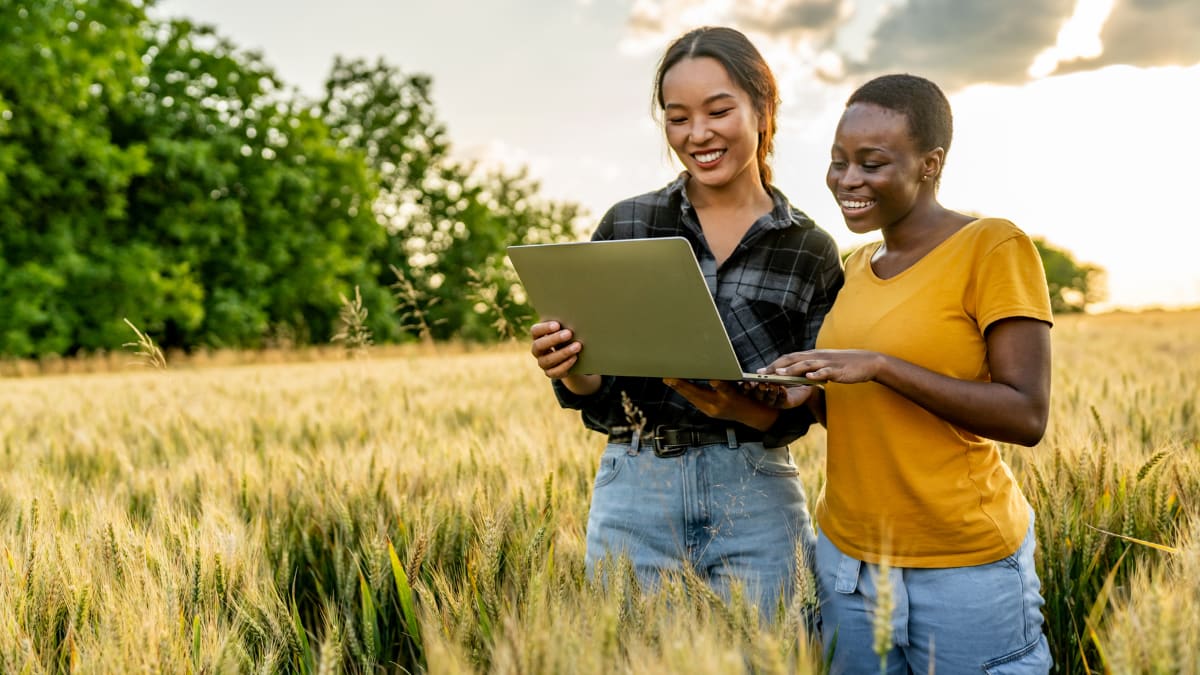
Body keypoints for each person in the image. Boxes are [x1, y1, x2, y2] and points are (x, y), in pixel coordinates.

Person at [528, 26, 843, 619]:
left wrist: (748, 405)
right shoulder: (628, 224)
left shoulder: (810, 248)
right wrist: (569, 366)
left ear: (763, 106)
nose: (697, 134)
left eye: (718, 110)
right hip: (636, 484)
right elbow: (595, 394)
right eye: (677, 118)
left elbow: (817, 402)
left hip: (755, 486)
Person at [758, 73, 1053, 672]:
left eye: (872, 162)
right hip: (849, 564)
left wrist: (884, 366)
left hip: (961, 565)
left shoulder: (992, 246)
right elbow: (859, 411)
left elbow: (1026, 414)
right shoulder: (858, 265)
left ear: (930, 162)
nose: (847, 180)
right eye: (838, 161)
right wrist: (804, 398)